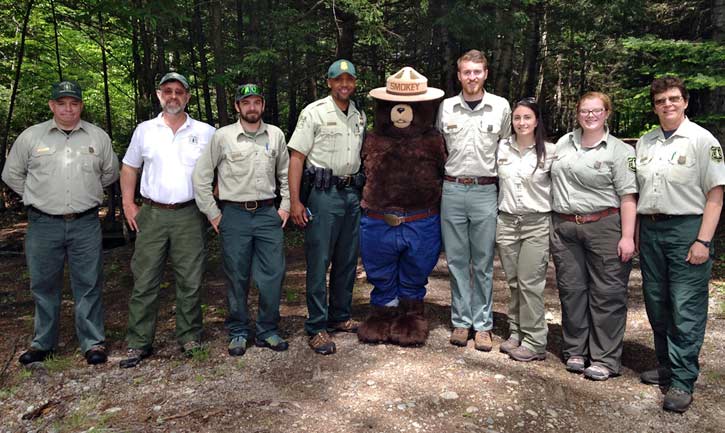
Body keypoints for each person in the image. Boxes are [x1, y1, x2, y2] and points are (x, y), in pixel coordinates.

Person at [2, 81, 119, 365]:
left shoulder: (97, 137)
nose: (68, 109)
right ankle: (43, 343)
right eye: (62, 103)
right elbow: (12, 174)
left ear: (81, 105)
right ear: (52, 105)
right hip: (43, 223)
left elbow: (109, 173)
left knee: (89, 283)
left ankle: (92, 343)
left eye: (74, 103)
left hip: (85, 222)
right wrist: (37, 195)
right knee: (43, 285)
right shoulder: (31, 137)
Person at [636, 76, 725, 413]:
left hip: (688, 229)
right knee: (657, 303)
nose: (667, 105)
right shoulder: (645, 143)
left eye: (673, 99)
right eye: (660, 101)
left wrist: (704, 239)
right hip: (652, 230)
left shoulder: (703, 140)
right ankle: (667, 366)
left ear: (685, 102)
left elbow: (716, 194)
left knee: (685, 307)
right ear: (655, 106)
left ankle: (683, 380)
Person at [119, 72, 215, 368]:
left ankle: (189, 336)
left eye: (179, 91)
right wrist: (127, 203)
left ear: (187, 96)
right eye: (168, 91)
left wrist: (211, 204)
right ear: (159, 95)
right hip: (152, 213)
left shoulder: (206, 132)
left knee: (190, 278)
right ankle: (138, 342)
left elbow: (221, 170)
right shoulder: (145, 130)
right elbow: (129, 168)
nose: (173, 96)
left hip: (189, 213)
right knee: (145, 278)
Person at [193, 83, 290, 356]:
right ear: (237, 106)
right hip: (234, 214)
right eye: (245, 102)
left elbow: (285, 173)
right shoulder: (223, 137)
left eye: (256, 102)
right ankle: (238, 331)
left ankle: (268, 329)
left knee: (273, 274)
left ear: (262, 105)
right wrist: (213, 213)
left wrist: (285, 206)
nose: (251, 107)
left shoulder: (276, 135)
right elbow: (201, 177)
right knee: (237, 275)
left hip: (267, 213)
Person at [549, 91, 637, 381]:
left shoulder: (619, 151)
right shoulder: (564, 143)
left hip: (604, 225)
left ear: (607, 113)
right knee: (572, 290)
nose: (590, 115)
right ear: (577, 113)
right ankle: (575, 349)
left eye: (597, 110)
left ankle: (605, 358)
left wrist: (627, 237)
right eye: (585, 110)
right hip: (565, 227)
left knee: (607, 293)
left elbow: (628, 197)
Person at [287, 59, 366, 355]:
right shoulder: (314, 113)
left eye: (349, 79)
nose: (344, 84)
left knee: (347, 260)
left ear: (354, 82)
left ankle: (340, 316)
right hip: (323, 194)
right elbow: (296, 158)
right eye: (338, 80)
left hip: (351, 194)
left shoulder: (359, 116)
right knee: (319, 261)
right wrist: (296, 201)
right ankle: (317, 326)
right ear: (329, 82)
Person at [437, 49, 511, 351]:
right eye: (466, 72)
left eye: (477, 72)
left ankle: (483, 325)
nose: (471, 77)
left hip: (485, 190)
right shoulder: (445, 108)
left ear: (485, 74)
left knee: (482, 262)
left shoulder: (500, 107)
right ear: (459, 75)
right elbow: (438, 148)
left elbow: (508, 150)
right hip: (452, 189)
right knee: (455, 261)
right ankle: (460, 322)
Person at [495, 98, 555, 362]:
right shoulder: (501, 148)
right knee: (513, 282)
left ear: (536, 120)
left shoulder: (551, 152)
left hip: (536, 223)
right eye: (517, 118)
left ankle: (535, 341)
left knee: (530, 283)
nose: (522, 123)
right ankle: (516, 332)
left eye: (527, 117)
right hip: (507, 222)